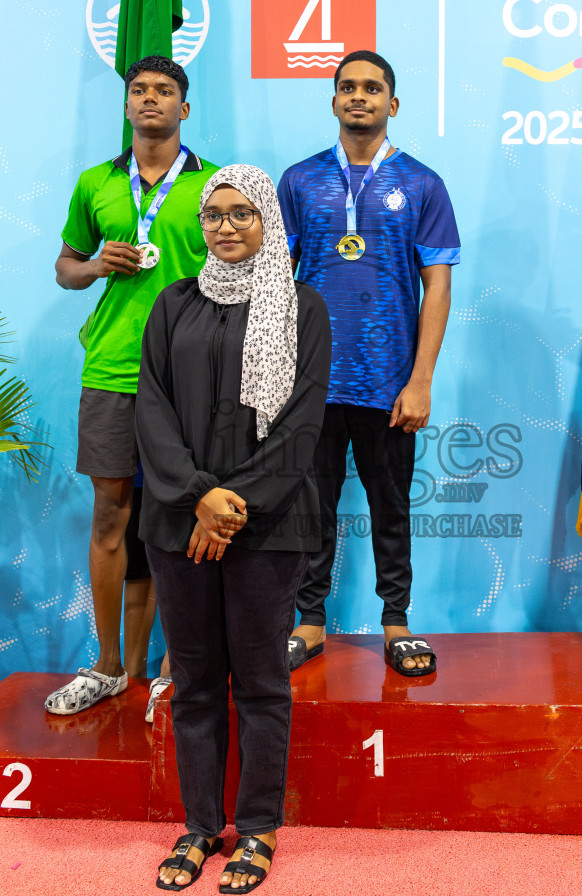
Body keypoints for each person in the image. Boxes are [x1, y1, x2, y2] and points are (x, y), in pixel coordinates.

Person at [139, 165, 331, 893]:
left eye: (242, 213)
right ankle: (198, 826)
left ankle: (257, 829)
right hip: (178, 522)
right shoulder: (173, 304)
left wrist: (231, 506)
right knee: (192, 683)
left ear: (269, 224)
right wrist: (197, 497)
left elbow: (301, 421)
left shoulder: (302, 307)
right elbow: (150, 408)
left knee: (258, 682)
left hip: (269, 524)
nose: (225, 225)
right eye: (214, 213)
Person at [278, 50, 460, 677]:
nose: (360, 97)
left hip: (388, 382)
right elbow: (277, 278)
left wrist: (420, 379)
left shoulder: (421, 184)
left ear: (393, 104)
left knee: (391, 504)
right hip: (310, 380)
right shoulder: (300, 181)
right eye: (348, 87)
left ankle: (397, 622)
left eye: (373, 88)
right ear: (333, 100)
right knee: (310, 505)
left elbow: (436, 287)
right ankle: (309, 620)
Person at [49, 54, 216, 719]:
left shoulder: (213, 186)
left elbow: (239, 268)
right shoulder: (96, 184)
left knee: (181, 516)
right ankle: (110, 666)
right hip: (114, 369)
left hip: (190, 377)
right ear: (126, 107)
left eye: (165, 91)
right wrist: (93, 266)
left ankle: (177, 670)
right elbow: (63, 269)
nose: (151, 100)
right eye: (139, 91)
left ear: (184, 108)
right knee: (112, 515)